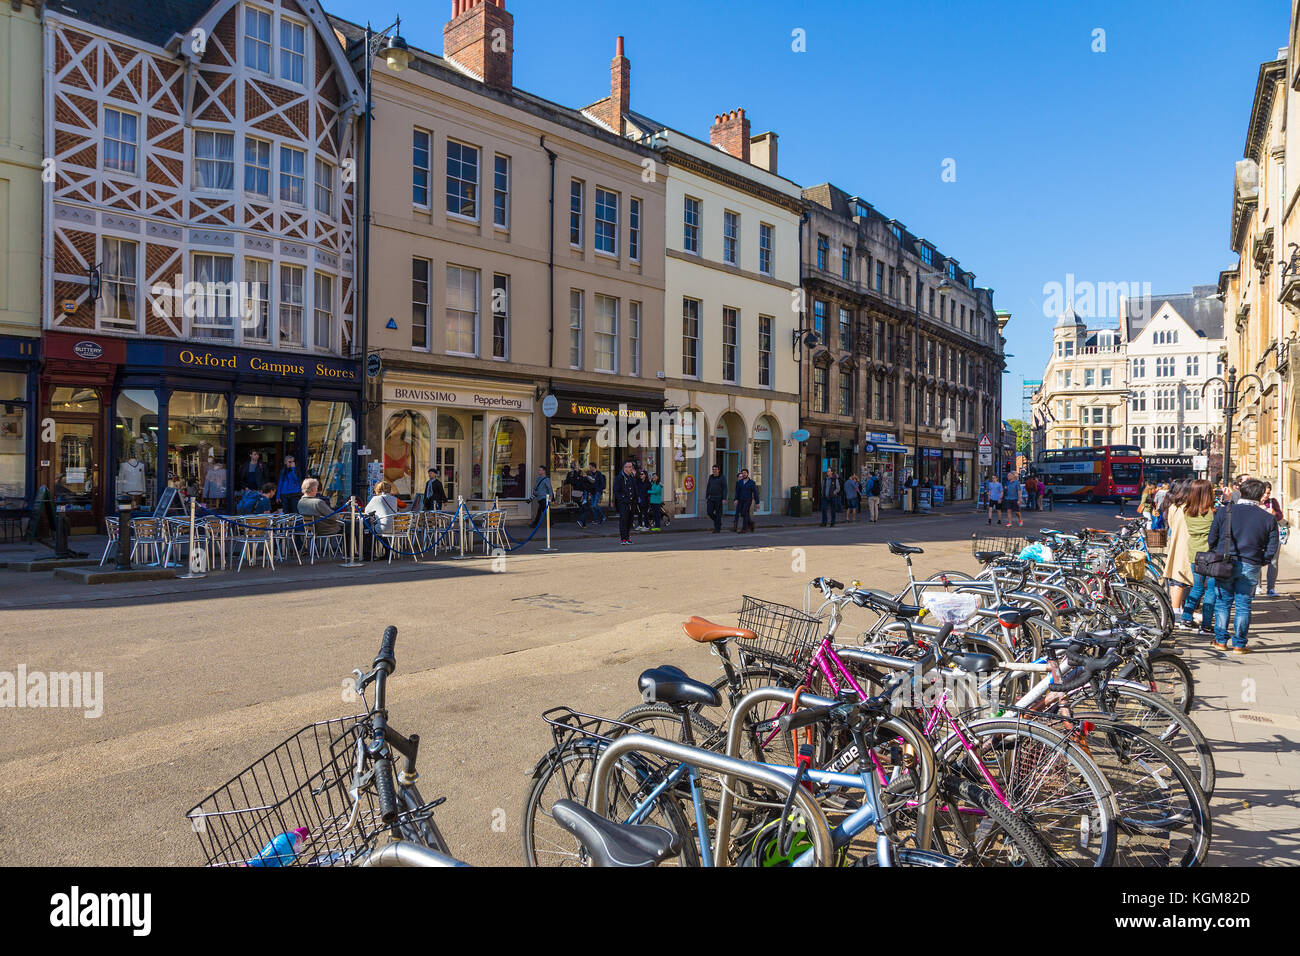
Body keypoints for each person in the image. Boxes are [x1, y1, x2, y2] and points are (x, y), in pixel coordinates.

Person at [1207, 478, 1278, 653]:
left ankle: (1221, 641)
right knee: (1243, 605)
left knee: (1223, 603)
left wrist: (1218, 550)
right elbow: (1272, 547)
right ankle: (1239, 644)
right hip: (1251, 563)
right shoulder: (1268, 518)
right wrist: (1263, 560)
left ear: (1241, 492)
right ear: (1261, 496)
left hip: (1226, 562)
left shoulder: (1225, 512)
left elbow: (1212, 538)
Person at [1179, 479, 1217, 634]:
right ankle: (1206, 625)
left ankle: (1186, 618)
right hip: (1211, 555)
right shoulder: (1212, 513)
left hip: (1195, 554)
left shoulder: (1187, 511)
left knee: (1197, 588)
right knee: (1211, 590)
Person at [1164, 479, 1192, 620]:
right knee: (1181, 581)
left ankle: (1176, 609)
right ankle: (1177, 610)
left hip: (1176, 545)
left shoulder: (1174, 507)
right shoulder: (1188, 509)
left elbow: (1171, 524)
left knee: (1178, 579)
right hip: (1186, 546)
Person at [1259, 482, 1284, 596]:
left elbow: (1280, 516)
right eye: (1264, 493)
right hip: (1258, 535)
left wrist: (1274, 513)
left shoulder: (1272, 502)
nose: (1266, 495)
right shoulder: (1254, 502)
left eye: (1268, 493)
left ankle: (1271, 588)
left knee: (1273, 562)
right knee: (1256, 561)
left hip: (1273, 535)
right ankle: (1257, 586)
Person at [612, 460, 638, 545]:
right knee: (624, 521)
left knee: (630, 521)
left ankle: (627, 538)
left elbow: (635, 489)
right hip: (623, 503)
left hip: (632, 503)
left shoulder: (632, 477)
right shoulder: (619, 478)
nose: (630, 468)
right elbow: (616, 491)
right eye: (629, 467)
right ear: (624, 468)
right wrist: (623, 499)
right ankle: (623, 539)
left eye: (631, 467)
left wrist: (636, 500)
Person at [734, 468, 757, 533]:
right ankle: (751, 523)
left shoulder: (751, 482)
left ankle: (744, 529)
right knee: (744, 513)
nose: (743, 474)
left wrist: (757, 502)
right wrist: (736, 499)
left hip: (748, 500)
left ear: (747, 474)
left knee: (744, 512)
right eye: (742, 473)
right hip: (741, 500)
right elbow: (737, 492)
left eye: (745, 473)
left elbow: (755, 492)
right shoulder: (739, 482)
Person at [705, 465, 726, 533]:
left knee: (718, 514)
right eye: (713, 469)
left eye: (716, 469)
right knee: (709, 512)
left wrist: (724, 498)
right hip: (711, 498)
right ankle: (718, 522)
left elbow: (725, 488)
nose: (714, 470)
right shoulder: (711, 477)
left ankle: (717, 529)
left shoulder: (722, 477)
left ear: (718, 470)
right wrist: (707, 495)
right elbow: (708, 486)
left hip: (719, 498)